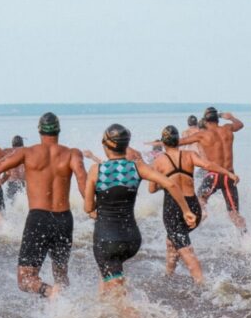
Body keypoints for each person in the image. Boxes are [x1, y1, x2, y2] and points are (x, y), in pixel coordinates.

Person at [82, 124, 196, 292]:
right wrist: (186, 211)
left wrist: (99, 205)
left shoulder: (96, 170)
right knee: (109, 277)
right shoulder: (138, 167)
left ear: (105, 146)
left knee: (116, 292)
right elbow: (170, 184)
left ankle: (132, 310)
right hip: (132, 240)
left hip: (107, 240)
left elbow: (88, 207)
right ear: (126, 145)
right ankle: (104, 304)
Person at [0, 113, 87, 296]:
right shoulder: (72, 153)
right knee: (61, 274)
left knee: (25, 279)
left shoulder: (27, 152)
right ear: (58, 130)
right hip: (64, 219)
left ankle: (49, 292)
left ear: (39, 130)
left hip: (39, 218)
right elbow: (83, 183)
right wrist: (93, 209)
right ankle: (65, 306)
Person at [149, 125, 237, 284]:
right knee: (172, 242)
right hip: (193, 206)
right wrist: (228, 173)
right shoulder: (190, 155)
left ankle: (202, 283)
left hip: (174, 208)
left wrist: (166, 183)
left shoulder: (159, 161)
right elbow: (208, 165)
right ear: (178, 141)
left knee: (185, 249)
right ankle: (168, 276)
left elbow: (152, 189)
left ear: (164, 142)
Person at [179, 107, 247, 232]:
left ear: (205, 121)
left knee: (200, 198)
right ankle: (246, 237)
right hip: (230, 176)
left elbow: (179, 142)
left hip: (214, 175)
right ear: (218, 119)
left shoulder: (202, 135)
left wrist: (162, 142)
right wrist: (230, 117)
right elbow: (240, 125)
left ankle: (203, 213)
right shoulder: (227, 128)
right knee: (234, 213)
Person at [4, 136, 27, 203]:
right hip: (22, 183)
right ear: (22, 144)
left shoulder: (7, 152)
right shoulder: (26, 152)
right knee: (24, 204)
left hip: (11, 183)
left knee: (10, 205)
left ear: (12, 144)